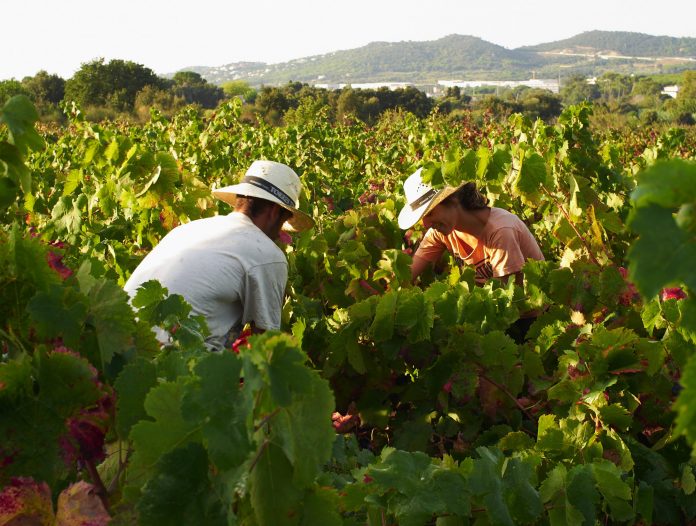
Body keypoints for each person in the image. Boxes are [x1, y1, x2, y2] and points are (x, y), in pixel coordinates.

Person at [124, 160, 314, 350]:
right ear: (274, 212)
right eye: (284, 220)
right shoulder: (266, 254)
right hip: (169, 360)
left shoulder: (188, 229)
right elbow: (265, 345)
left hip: (120, 346)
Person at [399, 167, 544, 288]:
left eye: (430, 213)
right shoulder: (442, 232)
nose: (426, 224)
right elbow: (407, 275)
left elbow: (505, 304)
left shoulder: (501, 231)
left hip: (526, 316)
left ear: (453, 199)